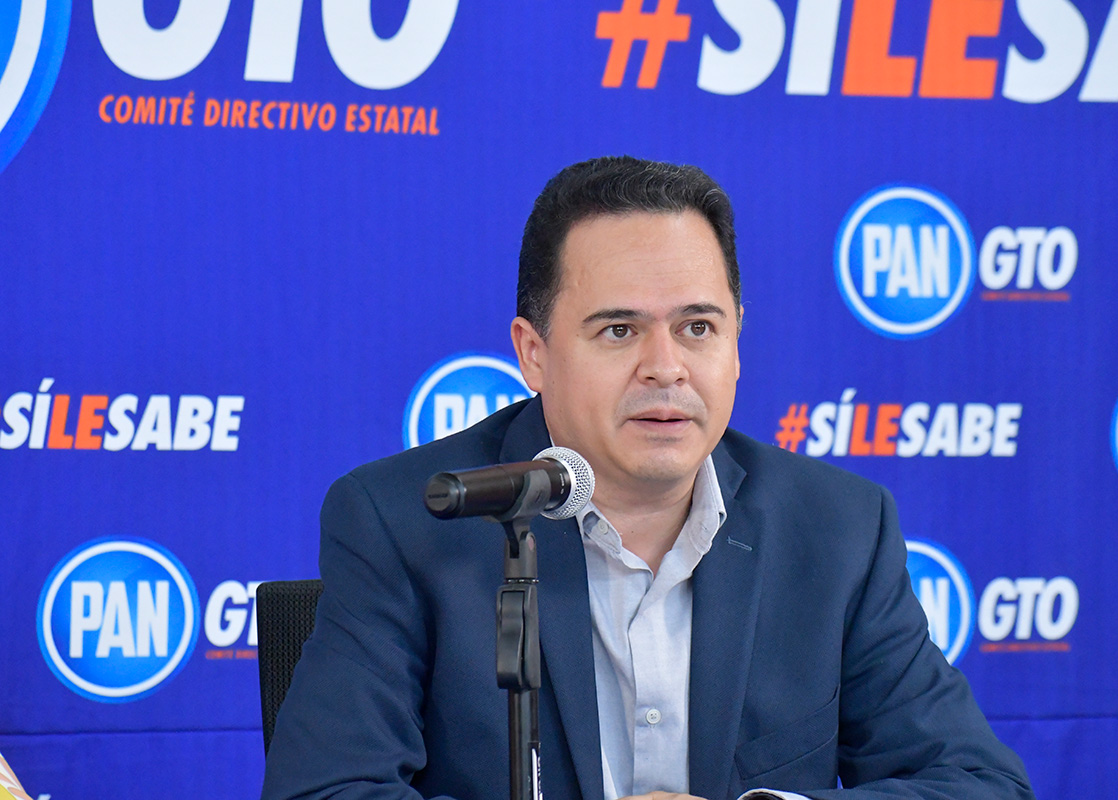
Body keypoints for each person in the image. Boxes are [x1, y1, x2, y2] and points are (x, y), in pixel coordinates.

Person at [262, 156, 1035, 800]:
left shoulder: (838, 528)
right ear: (533, 353)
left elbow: (978, 784)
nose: (666, 368)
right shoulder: (406, 522)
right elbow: (326, 791)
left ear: (737, 341)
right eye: (619, 329)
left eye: (698, 327)